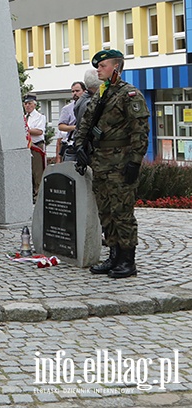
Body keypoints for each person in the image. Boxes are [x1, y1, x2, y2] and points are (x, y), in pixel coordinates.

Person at [75, 49, 150, 279]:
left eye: (103, 65)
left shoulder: (130, 95)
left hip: (120, 163)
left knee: (122, 212)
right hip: (101, 162)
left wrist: (134, 163)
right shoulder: (101, 94)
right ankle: (114, 256)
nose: (98, 69)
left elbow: (141, 131)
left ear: (116, 67)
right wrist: (79, 147)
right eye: (97, 66)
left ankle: (128, 260)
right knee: (106, 212)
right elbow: (86, 124)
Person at [23, 94, 46, 202]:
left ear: (34, 105)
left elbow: (39, 131)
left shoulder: (39, 116)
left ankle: (38, 195)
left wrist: (26, 129)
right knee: (28, 172)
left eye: (29, 103)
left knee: (37, 172)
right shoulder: (23, 117)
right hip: (25, 146)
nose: (27, 106)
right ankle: (30, 194)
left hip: (36, 146)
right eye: (26, 103)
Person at [56, 82, 86, 163]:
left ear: (84, 91)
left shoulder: (90, 105)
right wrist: (75, 128)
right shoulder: (67, 108)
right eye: (73, 91)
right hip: (72, 144)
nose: (75, 93)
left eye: (77, 91)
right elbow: (61, 126)